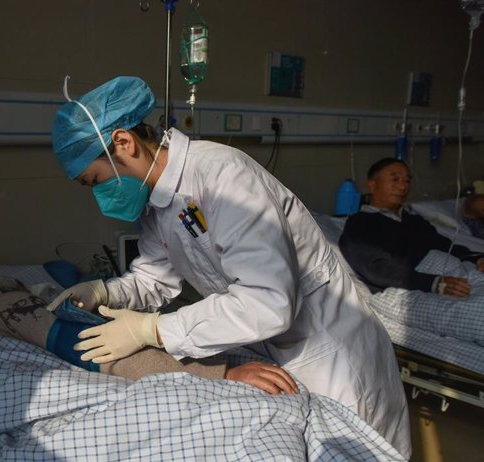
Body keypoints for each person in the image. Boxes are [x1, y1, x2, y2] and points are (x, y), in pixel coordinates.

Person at [49, 76, 411, 458]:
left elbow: (267, 301)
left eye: (95, 180)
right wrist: (102, 292)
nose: (100, 194)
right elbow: (152, 279)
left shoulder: (222, 176)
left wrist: (151, 329)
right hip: (276, 350)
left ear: (124, 143)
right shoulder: (157, 205)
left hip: (333, 352)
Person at [0, 275, 299, 394]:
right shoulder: (7, 306)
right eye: (23, 290)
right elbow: (98, 355)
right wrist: (221, 374)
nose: (34, 298)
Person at [339, 158, 484, 297]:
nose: (403, 186)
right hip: (408, 290)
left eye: (407, 181)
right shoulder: (360, 224)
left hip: (451, 276)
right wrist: (435, 283)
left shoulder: (413, 220)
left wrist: (477, 259)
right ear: (372, 185)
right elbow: (377, 269)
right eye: (395, 179)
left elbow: (444, 245)